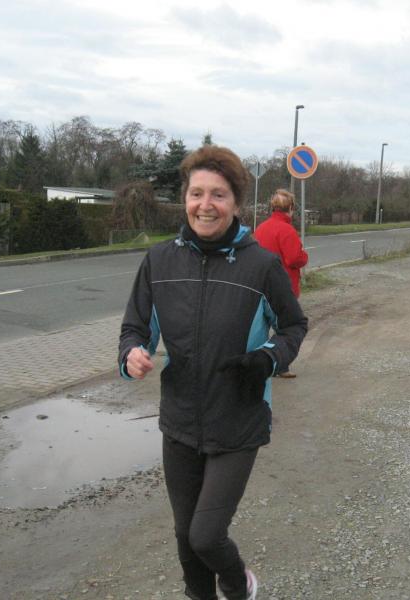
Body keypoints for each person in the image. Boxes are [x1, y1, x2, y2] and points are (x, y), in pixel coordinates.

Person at [119, 145, 308, 600]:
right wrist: (131, 354)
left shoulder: (261, 266)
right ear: (185, 199)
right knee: (185, 539)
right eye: (196, 193)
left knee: (206, 535)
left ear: (236, 203)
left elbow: (294, 326)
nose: (206, 204)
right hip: (179, 420)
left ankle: (239, 585)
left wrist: (269, 358)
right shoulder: (159, 261)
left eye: (218, 195)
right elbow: (134, 328)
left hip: (238, 419)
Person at [253, 188, 309, 378]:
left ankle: (257, 361)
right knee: (286, 327)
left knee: (260, 326)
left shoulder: (261, 228)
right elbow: (294, 259)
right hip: (283, 287)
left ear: (272, 207)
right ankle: (280, 364)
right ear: (291, 207)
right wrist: (304, 256)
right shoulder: (287, 230)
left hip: (259, 284)